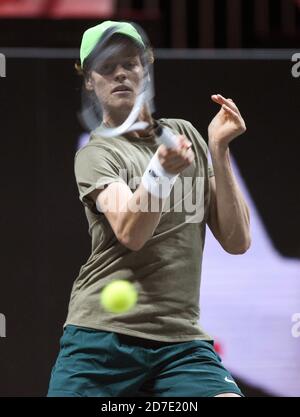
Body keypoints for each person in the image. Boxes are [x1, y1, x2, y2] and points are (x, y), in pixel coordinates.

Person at [47, 20, 251, 397]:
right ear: (89, 79)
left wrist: (219, 149)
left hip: (180, 343)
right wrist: (160, 172)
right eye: (107, 67)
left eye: (130, 63)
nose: (121, 73)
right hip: (101, 340)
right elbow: (131, 233)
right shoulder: (96, 155)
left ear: (146, 68)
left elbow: (238, 241)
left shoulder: (186, 135)